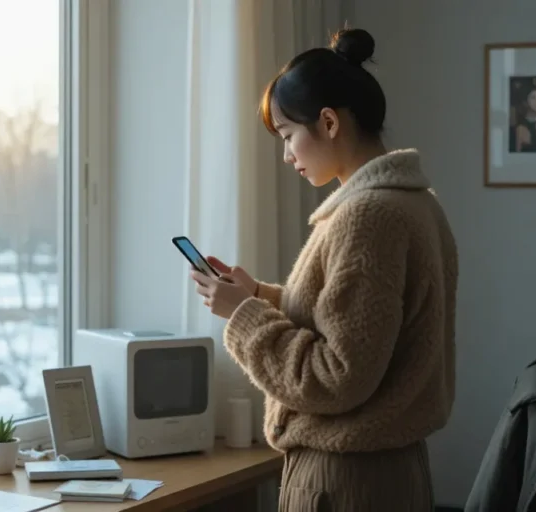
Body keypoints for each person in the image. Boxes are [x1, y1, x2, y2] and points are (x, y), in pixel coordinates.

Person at [189, 27, 458, 511]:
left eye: (289, 134)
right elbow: (361, 327)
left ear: (329, 123)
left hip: (346, 480)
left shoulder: (368, 216)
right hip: (386, 473)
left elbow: (338, 375)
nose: (287, 154)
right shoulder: (416, 204)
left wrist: (245, 316)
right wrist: (263, 296)